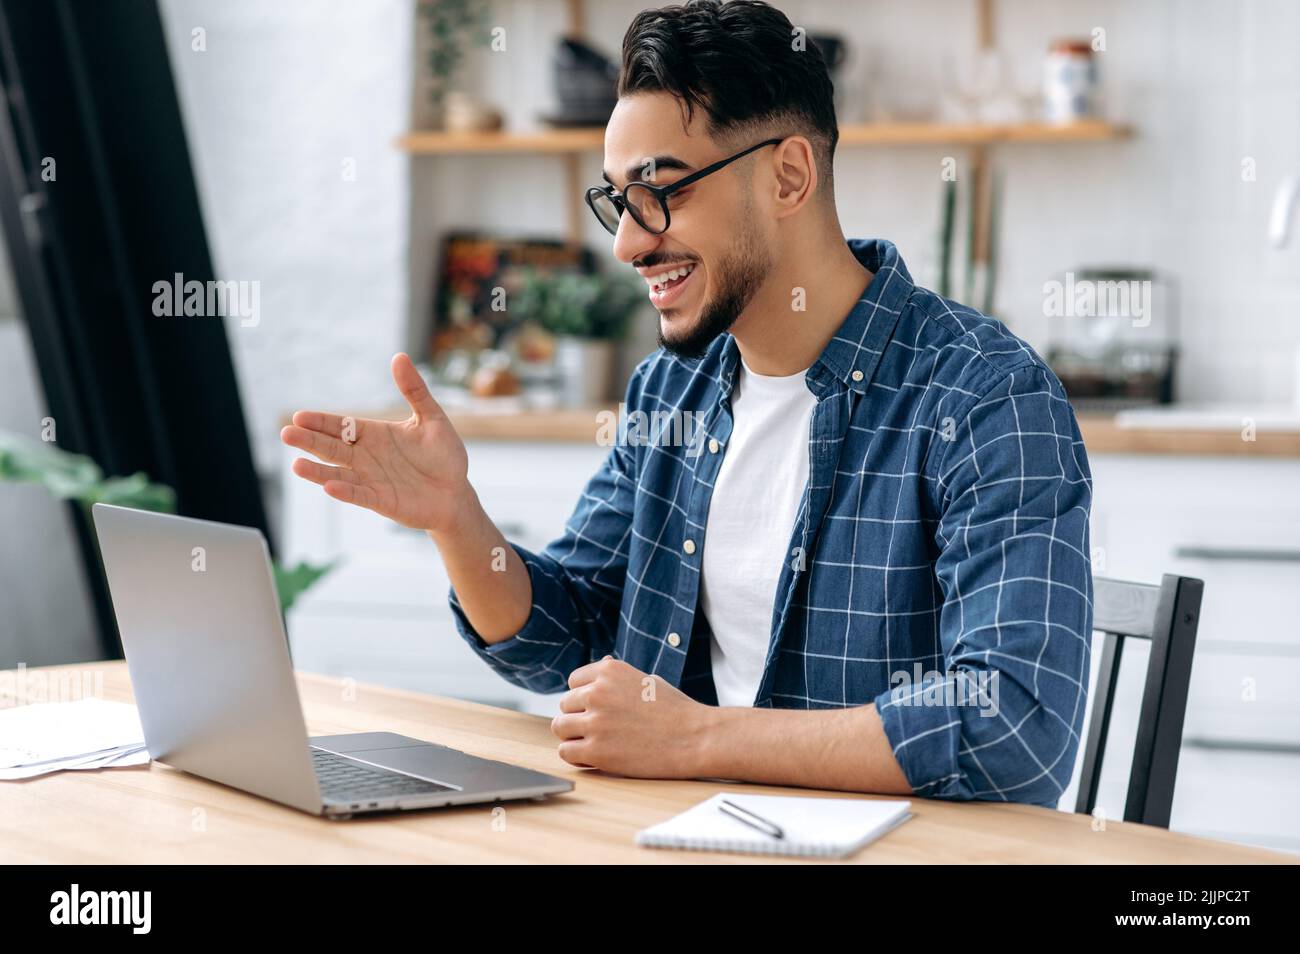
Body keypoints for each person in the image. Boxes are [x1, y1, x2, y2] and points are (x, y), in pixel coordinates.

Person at [282, 0, 1093, 807]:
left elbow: (1014, 725)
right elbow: (570, 631)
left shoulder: (986, 396)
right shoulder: (672, 389)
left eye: (660, 191)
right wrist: (456, 519)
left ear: (788, 177)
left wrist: (698, 738)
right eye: (617, 200)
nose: (628, 244)